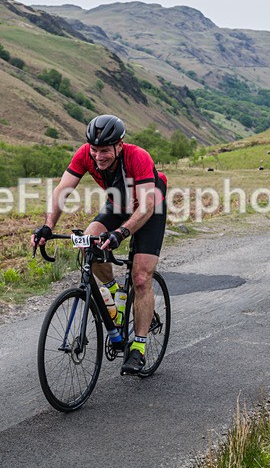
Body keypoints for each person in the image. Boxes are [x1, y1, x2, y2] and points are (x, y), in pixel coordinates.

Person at [31, 115, 168, 375]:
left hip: (150, 209)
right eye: (94, 149)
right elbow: (62, 190)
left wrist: (122, 232)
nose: (98, 156)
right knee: (89, 243)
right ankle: (114, 291)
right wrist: (48, 226)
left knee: (140, 278)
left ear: (120, 145)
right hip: (117, 205)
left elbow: (147, 206)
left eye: (105, 150)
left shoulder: (138, 157)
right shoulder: (85, 154)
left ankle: (138, 348)